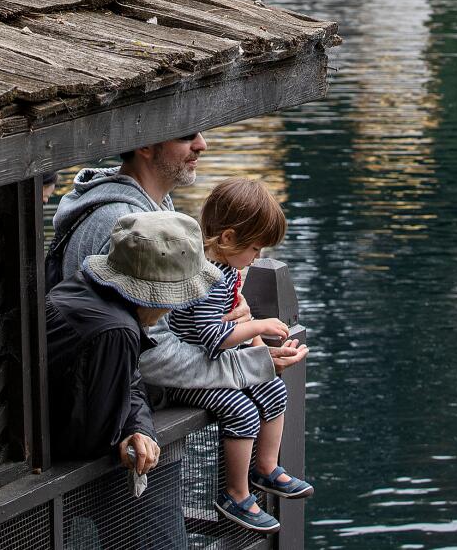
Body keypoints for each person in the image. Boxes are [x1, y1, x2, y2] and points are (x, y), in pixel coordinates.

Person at [46, 210, 219, 549]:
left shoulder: (87, 289)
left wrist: (138, 427)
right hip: (50, 466)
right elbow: (96, 435)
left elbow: (129, 380)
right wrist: (126, 432)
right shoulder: (116, 331)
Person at [156, 179, 312, 535]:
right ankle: (235, 494)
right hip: (189, 373)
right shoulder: (205, 278)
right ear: (227, 239)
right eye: (255, 249)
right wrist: (259, 323)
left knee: (273, 389)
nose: (257, 258)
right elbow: (213, 339)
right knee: (239, 409)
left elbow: (233, 326)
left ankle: (266, 467)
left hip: (211, 363)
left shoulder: (225, 271)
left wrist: (262, 347)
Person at [51, 136, 207, 284]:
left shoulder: (149, 205)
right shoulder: (126, 224)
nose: (202, 144)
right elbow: (130, 310)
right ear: (144, 145)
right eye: (186, 135)